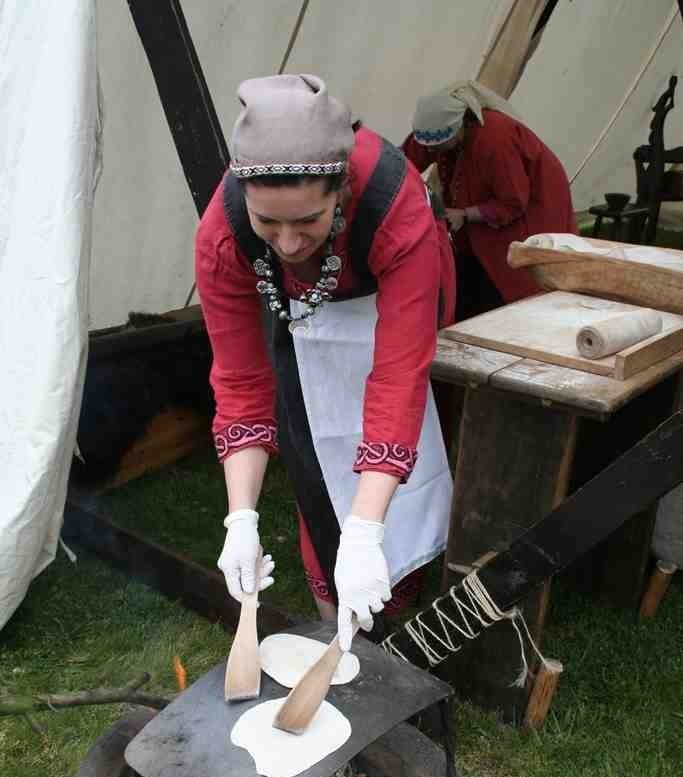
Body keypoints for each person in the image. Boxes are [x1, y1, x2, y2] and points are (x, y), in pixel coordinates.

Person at [195, 74, 455, 651]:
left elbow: (398, 375)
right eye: (269, 223)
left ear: (340, 191)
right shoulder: (224, 235)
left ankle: (401, 581)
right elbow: (240, 381)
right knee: (311, 450)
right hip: (308, 313)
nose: (286, 243)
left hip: (390, 308)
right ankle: (340, 634)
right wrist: (241, 520)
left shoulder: (393, 201)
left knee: (414, 437)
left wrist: (363, 534)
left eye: (307, 222)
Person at [403, 79, 576, 321]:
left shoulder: (495, 139)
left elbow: (512, 201)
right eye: (431, 147)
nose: (435, 151)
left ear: (461, 123)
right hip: (484, 205)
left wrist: (464, 214)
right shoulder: (433, 130)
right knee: (468, 275)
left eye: (442, 145)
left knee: (511, 278)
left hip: (527, 212)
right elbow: (405, 163)